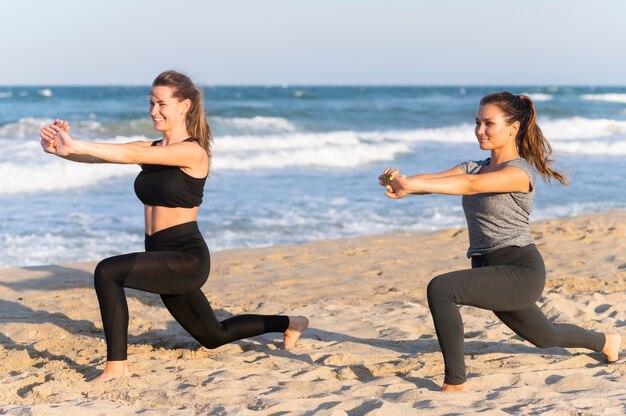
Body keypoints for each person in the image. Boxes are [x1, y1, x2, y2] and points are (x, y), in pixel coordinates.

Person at [40, 70, 308, 382]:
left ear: (184, 106)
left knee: (107, 272)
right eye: (151, 103)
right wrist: (64, 150)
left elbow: (131, 153)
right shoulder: (152, 148)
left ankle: (117, 367)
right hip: (159, 254)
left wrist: (77, 143)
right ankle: (291, 322)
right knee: (213, 335)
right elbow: (104, 157)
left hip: (186, 257)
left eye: (161, 104)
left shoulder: (192, 152)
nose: (154, 110)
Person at [379, 92, 621, 392]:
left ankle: (455, 383)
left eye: (488, 123)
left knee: (441, 289)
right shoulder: (474, 165)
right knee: (546, 336)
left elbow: (470, 186)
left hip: (520, 270)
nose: (480, 130)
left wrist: (413, 184)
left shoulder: (518, 173)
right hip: (489, 268)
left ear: (513, 128)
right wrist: (406, 185)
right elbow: (443, 180)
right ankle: (607, 342)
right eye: (477, 122)